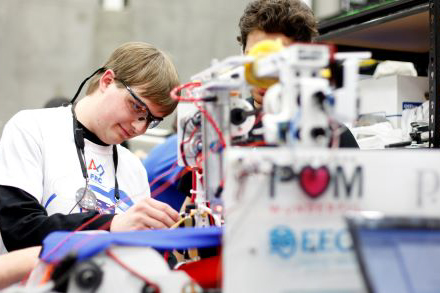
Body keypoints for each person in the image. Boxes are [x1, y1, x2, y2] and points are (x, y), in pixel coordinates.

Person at [0, 42, 181, 254]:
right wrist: (110, 225)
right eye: (137, 107)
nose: (139, 127)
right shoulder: (31, 128)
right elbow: (20, 230)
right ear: (107, 81)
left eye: (152, 120)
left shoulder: (133, 167)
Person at [237, 0, 359, 148]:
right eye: (256, 58)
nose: (264, 76)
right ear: (242, 54)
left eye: (277, 61)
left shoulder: (333, 135)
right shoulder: (226, 126)